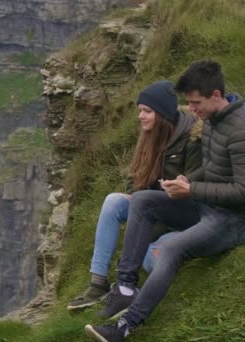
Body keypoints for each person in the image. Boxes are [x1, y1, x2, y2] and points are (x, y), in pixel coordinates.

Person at [85, 60, 245, 342]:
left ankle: (124, 327)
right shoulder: (210, 120)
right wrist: (186, 179)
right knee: (143, 199)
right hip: (205, 205)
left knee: (171, 249)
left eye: (195, 103)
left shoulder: (240, 131)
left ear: (216, 96)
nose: (191, 110)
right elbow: (213, 167)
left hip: (232, 220)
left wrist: (191, 189)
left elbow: (242, 192)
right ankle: (124, 287)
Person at [67, 80, 202, 311]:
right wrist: (135, 197)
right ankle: (97, 282)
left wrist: (145, 232)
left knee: (151, 258)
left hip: (184, 214)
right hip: (152, 207)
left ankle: (132, 291)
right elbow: (135, 177)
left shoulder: (192, 139)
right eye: (140, 110)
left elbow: (193, 196)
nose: (140, 116)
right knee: (113, 201)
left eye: (147, 111)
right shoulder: (150, 134)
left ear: (162, 114)